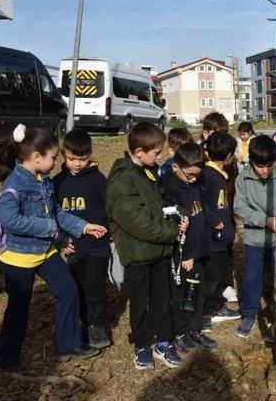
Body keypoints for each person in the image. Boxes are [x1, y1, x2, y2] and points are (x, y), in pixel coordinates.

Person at [0, 125, 107, 373]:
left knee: (68, 289)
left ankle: (68, 346)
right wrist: (47, 227)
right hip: (19, 256)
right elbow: (9, 219)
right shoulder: (15, 184)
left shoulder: (43, 181)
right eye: (53, 157)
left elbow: (58, 213)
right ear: (37, 157)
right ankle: (7, 359)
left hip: (44, 252)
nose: (55, 161)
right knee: (19, 308)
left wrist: (83, 227)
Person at [107, 121, 186, 370]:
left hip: (159, 251)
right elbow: (139, 223)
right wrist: (172, 233)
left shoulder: (148, 172)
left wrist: (177, 214)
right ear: (139, 152)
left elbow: (160, 203)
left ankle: (163, 342)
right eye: (156, 152)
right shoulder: (123, 181)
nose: (160, 156)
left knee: (163, 299)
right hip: (139, 253)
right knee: (141, 302)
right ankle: (141, 344)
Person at [53, 129, 112, 350]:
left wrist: (112, 237)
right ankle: (82, 324)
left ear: (90, 155)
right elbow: (54, 216)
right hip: (73, 246)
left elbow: (109, 210)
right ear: (63, 155)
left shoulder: (98, 180)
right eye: (72, 159)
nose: (77, 163)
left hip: (98, 243)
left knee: (95, 285)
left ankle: (97, 325)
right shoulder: (57, 183)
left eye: (83, 159)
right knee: (77, 286)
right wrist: (60, 241)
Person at [233, 135, 276, 340]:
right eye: (260, 166)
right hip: (255, 240)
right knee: (251, 279)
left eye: (269, 165)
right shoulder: (243, 179)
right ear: (251, 161)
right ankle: (250, 314)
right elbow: (240, 208)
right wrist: (264, 220)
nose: (266, 170)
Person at [160, 141, 218, 352]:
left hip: (199, 253)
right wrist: (186, 256)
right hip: (184, 256)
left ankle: (195, 330)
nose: (194, 179)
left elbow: (200, 214)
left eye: (197, 175)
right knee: (183, 295)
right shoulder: (171, 190)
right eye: (190, 175)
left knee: (198, 293)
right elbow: (179, 228)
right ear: (175, 167)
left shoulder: (194, 185)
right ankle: (181, 332)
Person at [199, 132, 241, 329]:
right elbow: (199, 202)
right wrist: (214, 220)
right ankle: (206, 312)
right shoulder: (208, 176)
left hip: (221, 239)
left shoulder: (219, 176)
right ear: (229, 156)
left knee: (219, 274)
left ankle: (217, 306)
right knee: (211, 277)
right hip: (211, 239)